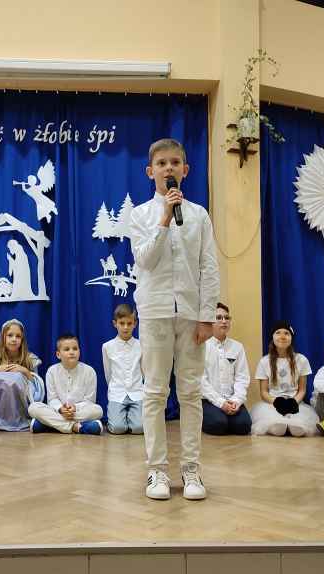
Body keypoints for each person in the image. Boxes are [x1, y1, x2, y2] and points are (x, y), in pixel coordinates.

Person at [129, 138, 220, 501]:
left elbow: (209, 267)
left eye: (175, 162)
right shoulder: (140, 215)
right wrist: (165, 219)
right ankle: (157, 471)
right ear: (150, 172)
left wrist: (207, 316)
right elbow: (145, 261)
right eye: (162, 163)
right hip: (154, 312)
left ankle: (191, 469)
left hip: (191, 314)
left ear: (186, 170)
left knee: (191, 393)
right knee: (154, 392)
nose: (169, 168)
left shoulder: (198, 214)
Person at [250, 321, 318, 437]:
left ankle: (294, 426)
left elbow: (302, 390)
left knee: (299, 426)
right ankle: (278, 425)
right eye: (278, 333)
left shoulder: (301, 360)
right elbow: (264, 392)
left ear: (291, 338)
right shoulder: (264, 361)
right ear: (272, 337)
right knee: (275, 424)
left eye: (286, 333)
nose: (282, 336)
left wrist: (293, 402)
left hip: (294, 402)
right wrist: (277, 402)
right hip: (272, 403)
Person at [29, 333, 103, 434]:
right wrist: (60, 409)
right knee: (33, 407)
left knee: (98, 410)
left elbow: (89, 401)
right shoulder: (52, 371)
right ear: (58, 354)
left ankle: (51, 425)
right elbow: (52, 399)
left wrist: (75, 408)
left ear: (79, 352)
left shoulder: (89, 371)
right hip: (58, 411)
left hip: (78, 412)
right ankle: (76, 427)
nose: (72, 352)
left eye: (75, 349)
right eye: (67, 349)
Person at [0, 319, 44, 431]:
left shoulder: (30, 359)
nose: (14, 339)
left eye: (18, 336)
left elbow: (36, 390)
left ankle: (18, 420)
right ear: (3, 338)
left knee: (18, 378)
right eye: (10, 335)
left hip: (20, 405)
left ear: (22, 340)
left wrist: (25, 371)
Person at [200, 302, 251, 436]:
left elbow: (242, 378)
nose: (224, 321)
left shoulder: (237, 347)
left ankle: (229, 417)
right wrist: (221, 403)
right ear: (210, 322)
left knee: (244, 426)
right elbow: (201, 381)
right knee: (218, 424)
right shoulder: (202, 346)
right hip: (209, 399)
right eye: (219, 318)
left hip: (231, 398)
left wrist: (236, 401)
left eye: (227, 318)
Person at [102, 303, 143, 434]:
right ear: (115, 324)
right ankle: (120, 418)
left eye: (129, 323)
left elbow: (144, 371)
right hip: (117, 393)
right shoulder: (107, 347)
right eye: (122, 323)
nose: (125, 327)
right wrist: (114, 388)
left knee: (139, 428)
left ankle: (133, 417)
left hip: (137, 393)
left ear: (135, 324)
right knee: (117, 428)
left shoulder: (141, 345)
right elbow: (108, 373)